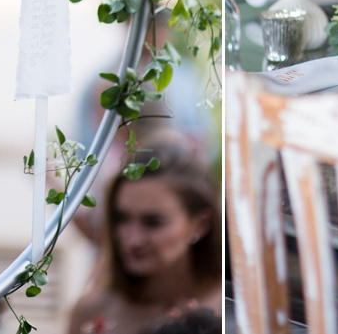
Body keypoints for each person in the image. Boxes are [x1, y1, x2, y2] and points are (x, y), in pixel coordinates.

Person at [66, 136, 222, 334]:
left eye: (153, 223)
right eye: (121, 219)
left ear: (200, 224)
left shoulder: (227, 309)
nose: (133, 239)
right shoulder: (92, 311)